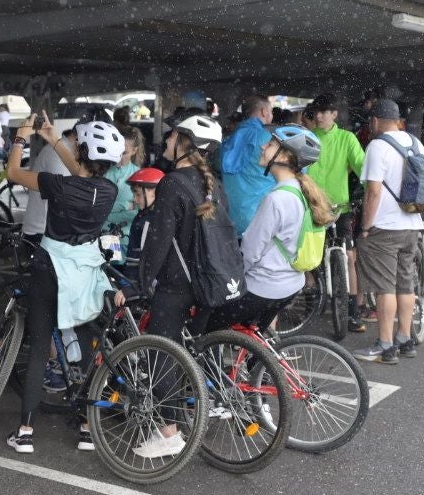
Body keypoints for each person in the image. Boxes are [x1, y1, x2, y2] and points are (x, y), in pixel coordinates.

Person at [1, 116, 124, 457]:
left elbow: (12, 173)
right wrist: (53, 137)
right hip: (83, 274)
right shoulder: (108, 190)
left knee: (40, 346)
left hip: (49, 269)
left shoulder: (59, 185)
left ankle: (25, 431)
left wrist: (21, 139)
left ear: (81, 152)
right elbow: (82, 170)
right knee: (85, 345)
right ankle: (86, 426)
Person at [213, 125, 335, 329]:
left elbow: (251, 250)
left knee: (206, 325)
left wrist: (233, 279)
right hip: (292, 284)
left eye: (270, 144)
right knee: (254, 336)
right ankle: (261, 360)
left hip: (264, 287)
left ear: (286, 157)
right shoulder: (301, 191)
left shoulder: (276, 199)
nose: (263, 146)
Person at [138, 114, 230, 339]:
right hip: (208, 282)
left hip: (177, 287)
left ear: (183, 142)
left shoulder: (172, 183)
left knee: (161, 360)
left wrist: (139, 284)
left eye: (172, 134)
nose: (168, 139)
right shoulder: (214, 184)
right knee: (197, 353)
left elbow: (158, 240)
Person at [355, 99, 424, 364]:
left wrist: (365, 226)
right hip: (412, 224)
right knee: (405, 284)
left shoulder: (377, 145)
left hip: (385, 227)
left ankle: (385, 346)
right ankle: (405, 340)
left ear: (375, 121)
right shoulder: (416, 143)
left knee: (385, 288)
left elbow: (373, 191)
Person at [304, 94, 368, 333]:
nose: (319, 116)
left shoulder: (347, 138)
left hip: (339, 208)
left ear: (334, 115)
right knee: (309, 256)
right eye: (317, 112)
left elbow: (362, 166)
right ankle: (311, 297)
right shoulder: (309, 137)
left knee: (349, 257)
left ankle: (353, 311)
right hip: (312, 207)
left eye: (324, 112)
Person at [217, 93, 276, 235]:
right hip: (259, 216)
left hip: (232, 216)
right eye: (271, 110)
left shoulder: (228, 140)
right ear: (264, 112)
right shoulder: (267, 139)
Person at [104, 127, 144, 233]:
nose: (119, 156)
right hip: (101, 236)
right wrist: (126, 205)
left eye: (124, 152)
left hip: (126, 238)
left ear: (135, 150)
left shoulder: (139, 175)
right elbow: (98, 207)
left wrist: (108, 215)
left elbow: (138, 213)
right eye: (118, 151)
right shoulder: (104, 171)